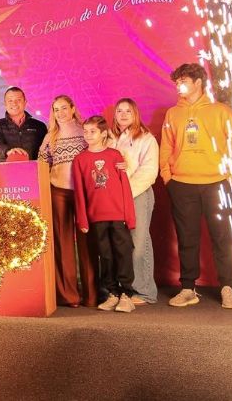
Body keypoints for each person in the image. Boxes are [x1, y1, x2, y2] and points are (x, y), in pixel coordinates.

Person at [160, 63, 232, 309]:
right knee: (187, 238)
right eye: (177, 82)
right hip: (182, 184)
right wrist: (167, 176)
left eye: (183, 81)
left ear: (198, 82)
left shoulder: (221, 111)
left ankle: (227, 287)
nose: (178, 86)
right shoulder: (173, 114)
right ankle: (188, 288)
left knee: (222, 237)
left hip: (217, 183)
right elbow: (166, 145)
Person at [73, 116, 137, 313]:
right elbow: (79, 192)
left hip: (118, 214)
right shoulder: (80, 159)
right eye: (85, 131)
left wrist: (129, 216)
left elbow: (125, 187)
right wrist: (83, 219)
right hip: (96, 215)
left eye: (92, 131)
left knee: (123, 252)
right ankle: (112, 293)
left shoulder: (114, 155)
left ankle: (126, 294)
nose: (88, 135)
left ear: (103, 134)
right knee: (106, 255)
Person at [38, 95, 96, 307]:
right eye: (56, 109)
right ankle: (69, 295)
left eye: (64, 108)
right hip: (59, 192)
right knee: (63, 243)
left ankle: (91, 295)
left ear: (72, 108)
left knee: (87, 242)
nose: (60, 113)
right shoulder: (50, 137)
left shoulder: (85, 132)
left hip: (83, 192)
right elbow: (42, 166)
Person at [110, 98, 159, 305]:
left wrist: (127, 191)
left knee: (139, 242)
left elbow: (149, 171)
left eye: (127, 111)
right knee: (120, 243)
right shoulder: (109, 138)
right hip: (114, 197)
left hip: (138, 194)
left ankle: (145, 291)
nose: (123, 115)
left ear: (135, 114)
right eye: (119, 111)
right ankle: (123, 288)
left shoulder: (146, 138)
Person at [0, 87, 48, 162]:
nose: (14, 103)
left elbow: (46, 149)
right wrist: (9, 151)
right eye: (10, 100)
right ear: (5, 104)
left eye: (18, 100)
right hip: (4, 169)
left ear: (25, 102)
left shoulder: (39, 126)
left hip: (33, 168)